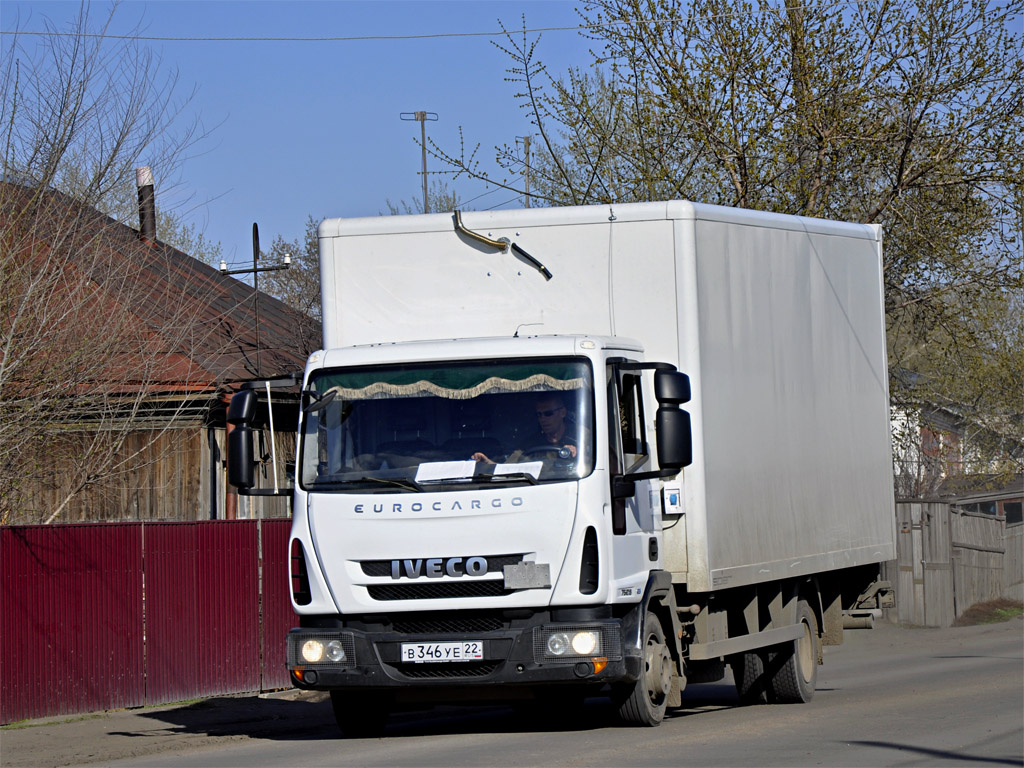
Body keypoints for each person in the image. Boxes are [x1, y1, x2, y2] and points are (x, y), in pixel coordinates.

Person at [472, 393, 578, 465]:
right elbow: (508, 467)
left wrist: (577, 454)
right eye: (539, 415)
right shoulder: (531, 443)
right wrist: (487, 462)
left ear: (562, 412)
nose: (542, 419)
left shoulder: (580, 436)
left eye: (548, 414)